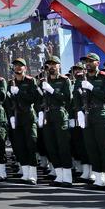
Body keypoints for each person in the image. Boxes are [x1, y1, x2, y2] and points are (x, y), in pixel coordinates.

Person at [77, 53, 105, 191]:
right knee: (91, 148)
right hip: (87, 115)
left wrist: (92, 88)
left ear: (97, 63)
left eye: (90, 61)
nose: (87, 63)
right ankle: (99, 179)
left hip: (101, 114)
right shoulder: (81, 78)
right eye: (86, 61)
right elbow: (76, 96)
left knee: (104, 147)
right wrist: (79, 111)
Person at [6, 58, 42, 185]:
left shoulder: (31, 81)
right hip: (16, 117)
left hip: (28, 116)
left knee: (30, 145)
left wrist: (20, 92)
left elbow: (36, 97)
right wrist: (10, 116)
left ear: (25, 68)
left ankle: (33, 175)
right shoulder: (11, 83)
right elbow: (8, 101)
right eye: (16, 66)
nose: (18, 68)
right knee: (19, 146)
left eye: (20, 66)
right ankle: (25, 174)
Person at [41, 56, 73, 187]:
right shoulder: (44, 81)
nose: (52, 67)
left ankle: (68, 177)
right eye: (50, 65)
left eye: (54, 64)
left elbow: (67, 99)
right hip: (48, 115)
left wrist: (52, 91)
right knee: (51, 146)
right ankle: (59, 176)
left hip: (60, 114)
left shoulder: (65, 81)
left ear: (59, 66)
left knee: (63, 146)